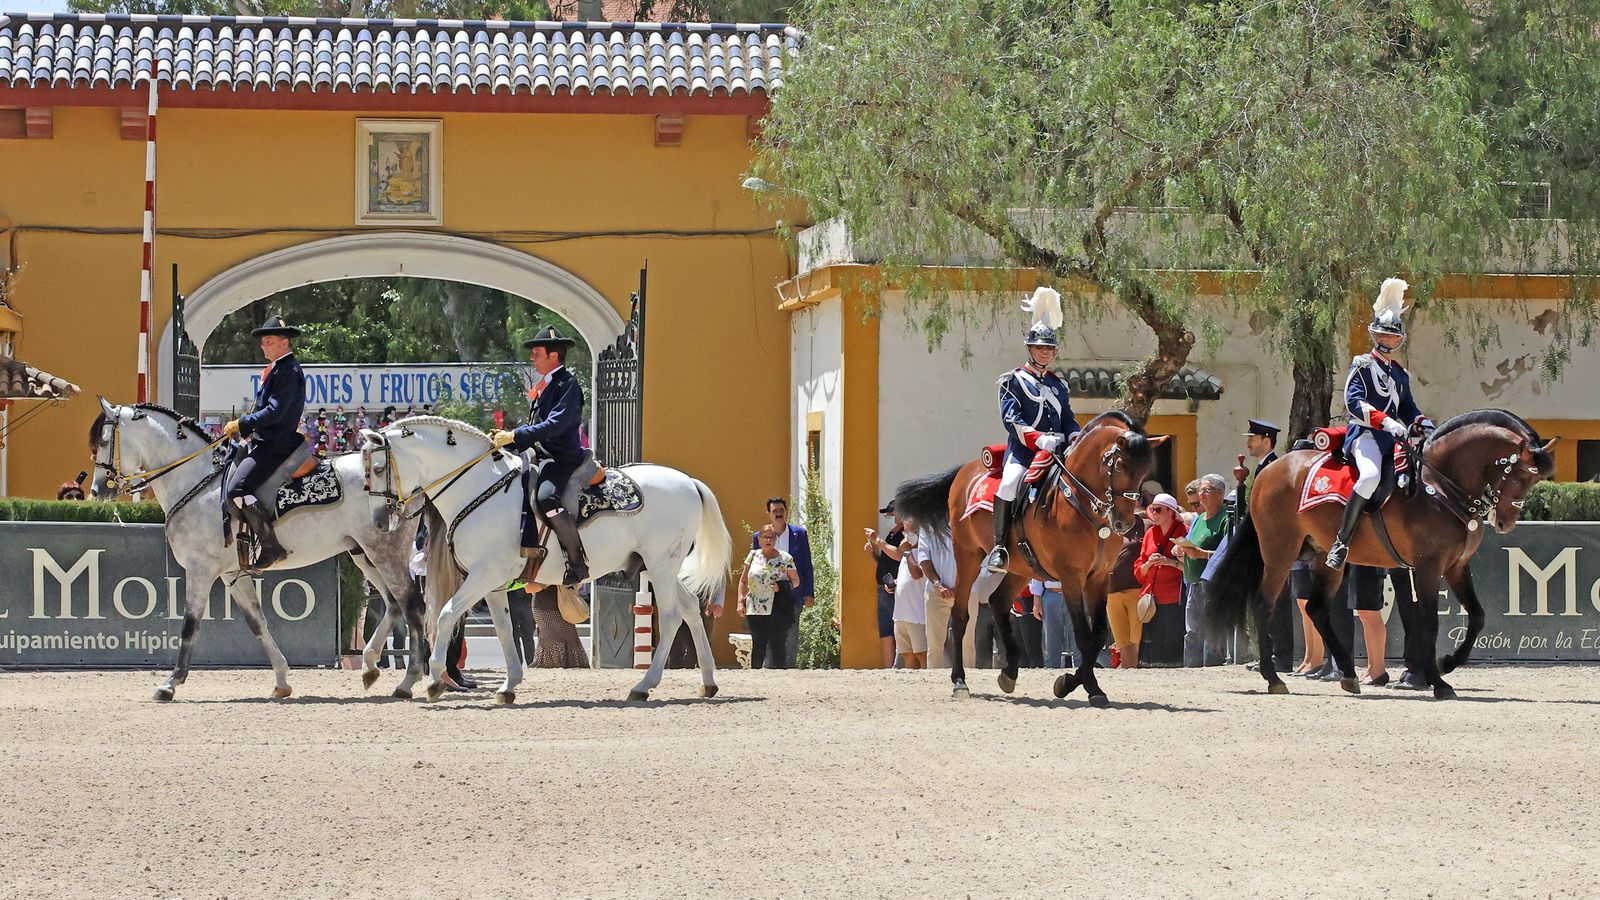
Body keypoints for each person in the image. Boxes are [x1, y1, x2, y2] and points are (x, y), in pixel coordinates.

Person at [1328, 277, 1434, 568]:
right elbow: (1354, 403)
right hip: (1365, 436)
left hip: (1393, 440)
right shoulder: (1362, 364)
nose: (1389, 341)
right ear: (1375, 335)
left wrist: (1423, 422)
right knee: (1370, 476)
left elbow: (1409, 408)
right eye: (1383, 336)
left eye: (1394, 337)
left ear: (1400, 340)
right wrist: (1386, 422)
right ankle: (1342, 542)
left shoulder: (1400, 373)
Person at [986, 286, 1081, 573]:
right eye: (1040, 347)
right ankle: (1000, 546)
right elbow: (1011, 420)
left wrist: (1075, 434)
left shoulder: (1058, 384)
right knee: (1008, 485)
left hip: (1060, 452)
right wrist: (1039, 439)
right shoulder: (1012, 380)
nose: (1045, 352)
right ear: (1030, 348)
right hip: (1026, 453)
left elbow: (1067, 418)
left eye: (1050, 348)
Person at [490, 327, 589, 585]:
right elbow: (538, 424)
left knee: (547, 499)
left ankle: (577, 564)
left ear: (553, 355)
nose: (532, 358)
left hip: (561, 458)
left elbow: (555, 424)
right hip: (538, 455)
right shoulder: (548, 384)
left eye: (536, 353)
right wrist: (507, 441)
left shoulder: (568, 384)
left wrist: (514, 435)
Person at [220, 315, 306, 570]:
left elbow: (275, 412)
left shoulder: (287, 371)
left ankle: (270, 546)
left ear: (284, 342)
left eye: (268, 341)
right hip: (265, 440)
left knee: (237, 490)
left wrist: (243, 423)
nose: (263, 346)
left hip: (275, 444)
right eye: (262, 342)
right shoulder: (279, 369)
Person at [1240, 418, 1295, 673]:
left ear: (1267, 441)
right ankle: (1268, 653)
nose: (1248, 442)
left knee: (1278, 601)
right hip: (1262, 541)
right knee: (1266, 600)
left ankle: (1282, 655)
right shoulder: (1261, 468)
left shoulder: (1274, 468)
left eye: (1253, 438)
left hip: (1275, 543)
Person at [750, 497, 814, 668]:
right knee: (770, 634)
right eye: (775, 511)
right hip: (767, 591)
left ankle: (789, 670)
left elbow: (807, 564)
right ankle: (771, 671)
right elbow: (754, 565)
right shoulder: (759, 536)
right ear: (768, 513)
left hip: (792, 589)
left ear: (786, 512)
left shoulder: (799, 535)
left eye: (781, 510)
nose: (778, 514)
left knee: (791, 634)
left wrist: (809, 593)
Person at [1176, 474, 1230, 667]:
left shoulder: (1226, 519)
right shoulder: (1198, 520)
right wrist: (1180, 549)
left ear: (1220, 493)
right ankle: (1191, 670)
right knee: (1192, 631)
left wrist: (1203, 554)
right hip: (1193, 581)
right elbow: (1191, 541)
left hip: (1213, 583)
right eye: (1201, 491)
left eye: (1206, 490)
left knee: (1211, 631)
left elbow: (1228, 552)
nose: (1201, 495)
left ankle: (1212, 669)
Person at [914, 515, 975, 668]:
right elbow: (923, 557)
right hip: (936, 592)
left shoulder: (968, 518)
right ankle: (934, 682)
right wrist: (937, 584)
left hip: (967, 590)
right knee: (934, 643)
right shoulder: (927, 523)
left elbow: (977, 556)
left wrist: (962, 586)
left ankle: (969, 680)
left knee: (967, 641)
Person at [737, 525, 799, 669]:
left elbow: (796, 581)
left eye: (771, 537)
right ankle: (756, 674)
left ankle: (779, 674)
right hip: (755, 604)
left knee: (777, 642)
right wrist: (740, 601)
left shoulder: (785, 558)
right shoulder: (752, 555)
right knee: (758, 642)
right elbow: (743, 580)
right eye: (765, 537)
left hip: (778, 604)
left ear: (776, 539)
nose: (768, 540)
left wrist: (781, 586)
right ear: (759, 539)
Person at [1135, 492, 1186, 665]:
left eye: (1158, 510)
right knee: (1150, 646)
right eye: (1152, 510)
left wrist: (1168, 562)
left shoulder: (1183, 531)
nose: (1154, 514)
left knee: (1172, 642)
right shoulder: (1150, 533)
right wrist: (1149, 564)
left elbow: (1190, 566)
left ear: (1171, 511)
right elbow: (1139, 567)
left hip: (1173, 598)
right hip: (1151, 598)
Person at [1104, 499, 1147, 668]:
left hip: (1135, 588)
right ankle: (1129, 673)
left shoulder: (1146, 524)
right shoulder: (1108, 527)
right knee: (1122, 641)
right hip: (1111, 590)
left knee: (1135, 639)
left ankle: (1131, 673)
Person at [864, 501, 907, 668]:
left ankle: (899, 666)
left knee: (896, 628)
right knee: (886, 629)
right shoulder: (892, 534)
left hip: (895, 587)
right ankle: (889, 667)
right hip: (884, 586)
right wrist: (873, 554)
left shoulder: (906, 534)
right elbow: (885, 561)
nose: (891, 517)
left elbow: (898, 556)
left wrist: (878, 540)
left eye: (892, 513)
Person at [1346, 564, 1391, 685]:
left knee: (1371, 614)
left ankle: (1379, 669)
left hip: (1371, 564)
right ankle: (1372, 668)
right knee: (1364, 615)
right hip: (1358, 562)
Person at [891, 528, 928, 669]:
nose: (903, 538)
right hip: (900, 615)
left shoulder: (920, 554)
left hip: (916, 616)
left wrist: (908, 552)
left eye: (907, 535)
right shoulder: (907, 555)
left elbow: (917, 574)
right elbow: (907, 578)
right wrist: (895, 584)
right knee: (907, 654)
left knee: (921, 654)